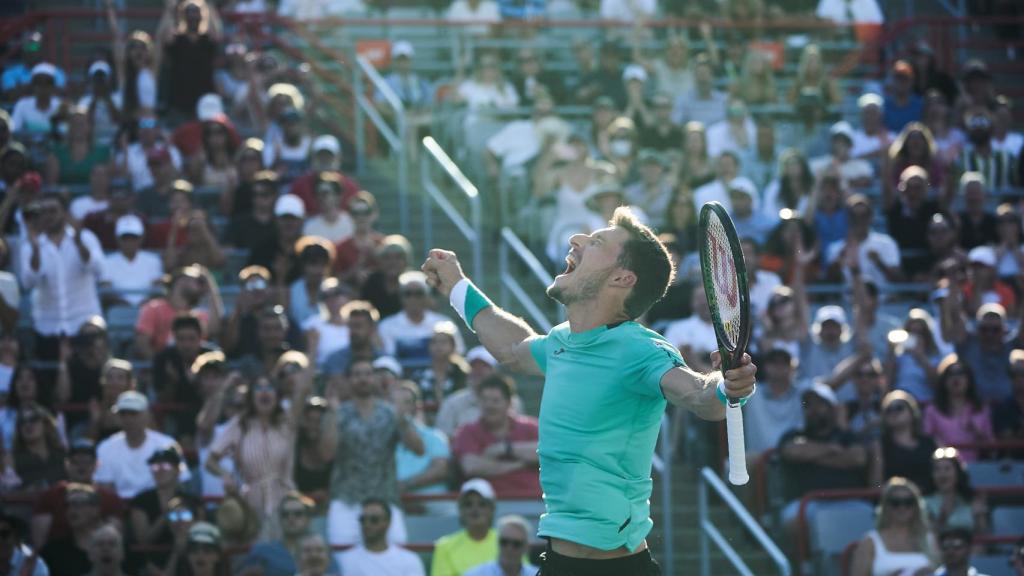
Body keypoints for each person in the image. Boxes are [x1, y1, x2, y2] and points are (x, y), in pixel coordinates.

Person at [421, 206, 757, 570]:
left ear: (621, 279)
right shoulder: (561, 343)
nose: (575, 239)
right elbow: (512, 350)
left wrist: (727, 388)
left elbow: (698, 396)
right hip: (558, 562)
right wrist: (457, 285)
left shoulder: (641, 349)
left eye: (595, 241)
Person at [320, 357, 425, 546]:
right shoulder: (338, 412)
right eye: (357, 374)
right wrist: (332, 413)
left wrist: (402, 418)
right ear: (348, 380)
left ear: (375, 379)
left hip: (385, 498)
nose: (363, 379)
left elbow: (419, 449)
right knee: (343, 557)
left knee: (396, 553)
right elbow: (326, 454)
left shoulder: (390, 412)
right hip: (346, 499)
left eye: (368, 374)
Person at [205, 372, 308, 538]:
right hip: (251, 501)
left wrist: (312, 348)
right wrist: (225, 475)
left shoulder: (287, 422)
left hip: (285, 498)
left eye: (270, 387)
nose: (265, 392)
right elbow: (210, 461)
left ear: (277, 395)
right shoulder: (240, 424)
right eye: (259, 387)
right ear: (251, 396)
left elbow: (303, 390)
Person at [18, 193, 104, 361]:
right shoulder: (30, 245)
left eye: (53, 211)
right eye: (44, 212)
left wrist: (79, 245)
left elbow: (98, 270)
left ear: (65, 213)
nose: (48, 216)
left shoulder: (86, 237)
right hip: (47, 328)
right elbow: (28, 282)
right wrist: (36, 251)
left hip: (83, 325)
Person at [778, 383, 870, 527]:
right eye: (808, 405)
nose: (813, 410)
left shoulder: (846, 436)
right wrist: (832, 449)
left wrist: (812, 456)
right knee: (792, 519)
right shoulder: (796, 434)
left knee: (869, 513)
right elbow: (793, 451)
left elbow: (858, 458)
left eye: (820, 404)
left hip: (849, 501)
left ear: (832, 408)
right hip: (809, 504)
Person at [453, 375, 539, 497]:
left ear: (509, 403)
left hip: (533, 500)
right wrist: (520, 463)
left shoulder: (531, 427)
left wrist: (505, 448)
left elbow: (546, 453)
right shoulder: (467, 431)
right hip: (488, 505)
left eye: (495, 401)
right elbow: (471, 467)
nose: (489, 406)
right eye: (484, 400)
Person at [30, 438, 124, 550]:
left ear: (97, 464)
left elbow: (114, 540)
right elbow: (40, 543)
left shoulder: (110, 499)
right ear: (66, 464)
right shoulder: (50, 496)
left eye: (87, 462)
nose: (81, 467)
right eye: (76, 462)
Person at [94, 391, 189, 499]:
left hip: (158, 506)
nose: (128, 419)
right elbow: (105, 488)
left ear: (147, 415)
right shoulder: (105, 447)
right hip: (120, 509)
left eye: (134, 413)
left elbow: (180, 481)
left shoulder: (167, 444)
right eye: (123, 414)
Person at [128, 446, 203, 575]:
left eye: (166, 466)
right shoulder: (140, 501)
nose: (160, 470)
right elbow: (143, 540)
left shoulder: (193, 501)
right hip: (151, 560)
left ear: (178, 471)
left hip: (189, 555)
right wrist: (166, 514)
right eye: (155, 467)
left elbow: (201, 532)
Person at [378, 272, 465, 377]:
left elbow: (458, 354)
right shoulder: (387, 326)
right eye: (408, 294)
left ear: (427, 296)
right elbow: (388, 358)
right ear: (400, 297)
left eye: (418, 294)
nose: (413, 298)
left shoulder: (445, 323)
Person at [235, 492, 339, 576]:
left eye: (298, 513)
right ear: (280, 520)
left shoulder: (321, 552)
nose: (291, 518)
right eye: (285, 514)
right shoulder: (263, 551)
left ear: (308, 519)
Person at [849, 478, 938, 576]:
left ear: (916, 506)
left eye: (908, 502)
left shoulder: (929, 539)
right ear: (885, 506)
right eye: (895, 502)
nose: (902, 507)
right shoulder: (870, 542)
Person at [922, 356, 994, 462]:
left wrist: (978, 434)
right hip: (943, 469)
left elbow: (992, 447)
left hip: (976, 468)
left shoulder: (981, 409)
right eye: (950, 374)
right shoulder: (932, 410)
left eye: (961, 373)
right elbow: (926, 443)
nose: (956, 378)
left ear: (969, 379)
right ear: (943, 380)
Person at [870, 391, 937, 494]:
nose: (893, 412)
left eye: (899, 408)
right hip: (897, 503)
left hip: (931, 499)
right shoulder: (880, 446)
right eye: (888, 410)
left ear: (912, 412)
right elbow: (876, 484)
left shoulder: (931, 443)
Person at [337, 498, 425, 576]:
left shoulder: (409, 560)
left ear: (388, 522)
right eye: (363, 519)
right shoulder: (346, 560)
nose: (367, 524)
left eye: (374, 519)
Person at [392, 381, 450, 497]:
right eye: (394, 402)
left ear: (416, 407)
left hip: (431, 502)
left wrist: (405, 485)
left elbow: (440, 470)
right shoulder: (382, 438)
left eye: (406, 402)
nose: (400, 408)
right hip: (393, 502)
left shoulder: (435, 436)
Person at [432, 479, 499, 576]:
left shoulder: (508, 543)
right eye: (468, 504)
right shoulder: (444, 546)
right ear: (460, 510)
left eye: (482, 504)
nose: (475, 509)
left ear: (492, 509)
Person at [39, 483, 104, 575]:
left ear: (95, 509)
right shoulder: (53, 552)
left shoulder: (110, 547)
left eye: (78, 504)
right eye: (68, 505)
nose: (72, 509)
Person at [101, 215, 163, 307]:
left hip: (148, 310)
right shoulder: (106, 261)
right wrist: (123, 304)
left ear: (141, 238)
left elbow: (157, 288)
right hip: (118, 310)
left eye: (133, 238)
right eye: (125, 238)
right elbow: (106, 289)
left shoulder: (154, 260)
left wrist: (145, 304)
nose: (129, 242)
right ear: (118, 239)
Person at [924, 447, 989, 535]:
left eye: (947, 469)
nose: (942, 474)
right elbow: (926, 536)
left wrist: (979, 516)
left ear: (958, 473)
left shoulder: (972, 500)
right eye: (937, 469)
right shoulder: (924, 502)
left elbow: (983, 535)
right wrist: (942, 519)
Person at [465, 515, 539, 576]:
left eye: (516, 544)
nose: (509, 548)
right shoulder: (475, 574)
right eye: (504, 542)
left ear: (526, 547)